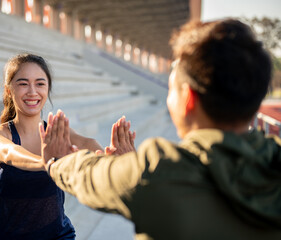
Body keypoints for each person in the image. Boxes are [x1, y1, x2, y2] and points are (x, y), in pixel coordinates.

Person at [40, 19, 281, 240]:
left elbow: (91, 177)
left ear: (188, 98)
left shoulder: (159, 172)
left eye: (172, 88)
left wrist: (56, 161)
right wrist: (130, 165)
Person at [0, 53, 135, 239]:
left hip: (58, 235)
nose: (32, 91)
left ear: (48, 89)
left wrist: (117, 162)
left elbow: (88, 144)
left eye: (40, 83)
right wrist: (48, 163)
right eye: (23, 83)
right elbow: (10, 153)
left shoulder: (57, 134)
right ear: (8, 90)